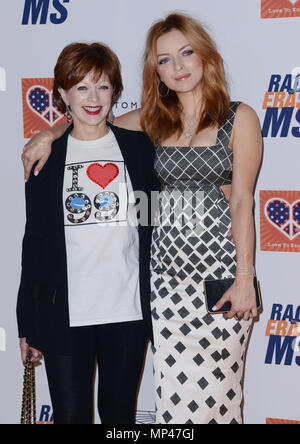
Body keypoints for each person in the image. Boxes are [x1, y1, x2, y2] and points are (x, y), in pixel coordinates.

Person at [21, 13, 263, 425]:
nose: (178, 67)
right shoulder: (152, 122)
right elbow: (91, 122)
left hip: (216, 280)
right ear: (156, 70)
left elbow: (242, 202)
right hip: (164, 287)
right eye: (164, 60)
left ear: (206, 56)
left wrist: (244, 278)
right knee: (172, 404)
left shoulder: (236, 118)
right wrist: (50, 132)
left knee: (219, 396)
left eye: (186, 53)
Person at [17, 42, 160, 425]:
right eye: (81, 87)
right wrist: (26, 325)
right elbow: (34, 243)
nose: (93, 98)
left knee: (120, 419)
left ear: (115, 92)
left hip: (126, 311)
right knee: (70, 417)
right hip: (63, 314)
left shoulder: (139, 148)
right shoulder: (44, 156)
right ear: (62, 93)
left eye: (103, 86)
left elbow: (154, 222)